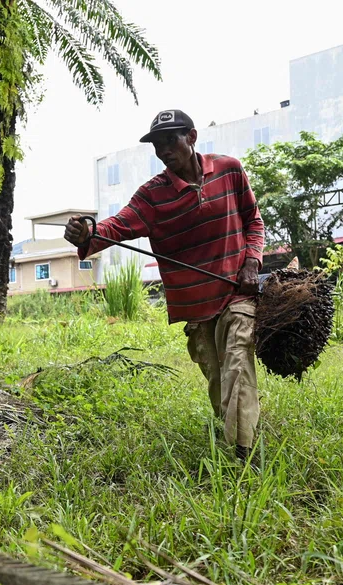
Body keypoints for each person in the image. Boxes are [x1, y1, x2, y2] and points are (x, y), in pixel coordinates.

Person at [64, 110, 265, 461]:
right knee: (220, 384)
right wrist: (87, 232)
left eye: (171, 139)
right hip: (197, 309)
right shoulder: (152, 197)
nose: (164, 149)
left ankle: (242, 453)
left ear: (192, 137)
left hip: (236, 292)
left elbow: (253, 220)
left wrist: (251, 262)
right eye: (158, 143)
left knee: (238, 363)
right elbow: (117, 226)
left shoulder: (230, 170)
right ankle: (237, 429)